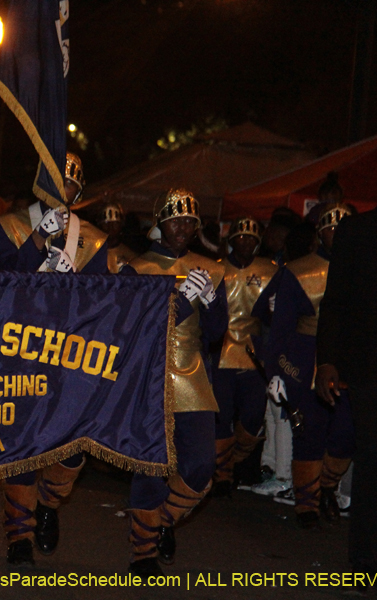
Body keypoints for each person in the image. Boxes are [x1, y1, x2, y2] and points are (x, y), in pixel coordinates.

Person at [0, 152, 110, 566]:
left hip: (70, 353)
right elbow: (1, 286)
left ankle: (47, 505)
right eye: (57, 185)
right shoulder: (8, 226)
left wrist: (74, 287)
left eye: (72, 186)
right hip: (20, 350)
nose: (64, 193)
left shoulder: (93, 238)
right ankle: (18, 534)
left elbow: (102, 302)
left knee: (71, 447)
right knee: (23, 446)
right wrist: (38, 243)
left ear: (80, 191)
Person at [317, 140, 377, 582]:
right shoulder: (360, 232)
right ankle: (367, 565)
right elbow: (335, 304)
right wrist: (327, 363)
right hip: (375, 363)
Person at [120, 189, 227, 577]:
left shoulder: (211, 268)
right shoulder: (136, 269)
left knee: (200, 465)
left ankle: (161, 521)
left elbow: (216, 334)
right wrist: (181, 299)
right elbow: (137, 332)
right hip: (148, 376)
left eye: (190, 222)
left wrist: (212, 300)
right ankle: (143, 552)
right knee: (150, 466)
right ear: (159, 223)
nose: (182, 227)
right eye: (175, 220)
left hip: (192, 375)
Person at [264, 203, 354, 530]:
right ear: (319, 234)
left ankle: (327, 485)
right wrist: (276, 370)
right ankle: (306, 502)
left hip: (349, 358)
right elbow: (281, 327)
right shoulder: (298, 271)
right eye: (331, 227)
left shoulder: (368, 269)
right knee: (309, 429)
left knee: (346, 432)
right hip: (304, 356)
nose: (338, 233)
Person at [209, 218, 278, 496]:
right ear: (232, 240)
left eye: (252, 238)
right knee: (221, 415)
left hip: (253, 352)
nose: (246, 242)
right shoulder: (216, 269)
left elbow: (275, 318)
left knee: (252, 417)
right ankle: (223, 474)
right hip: (221, 351)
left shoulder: (270, 271)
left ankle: (232, 460)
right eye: (241, 237)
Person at [99, 203, 136, 273]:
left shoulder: (131, 256)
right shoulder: (92, 253)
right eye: (106, 223)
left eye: (115, 223)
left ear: (121, 225)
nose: (110, 227)